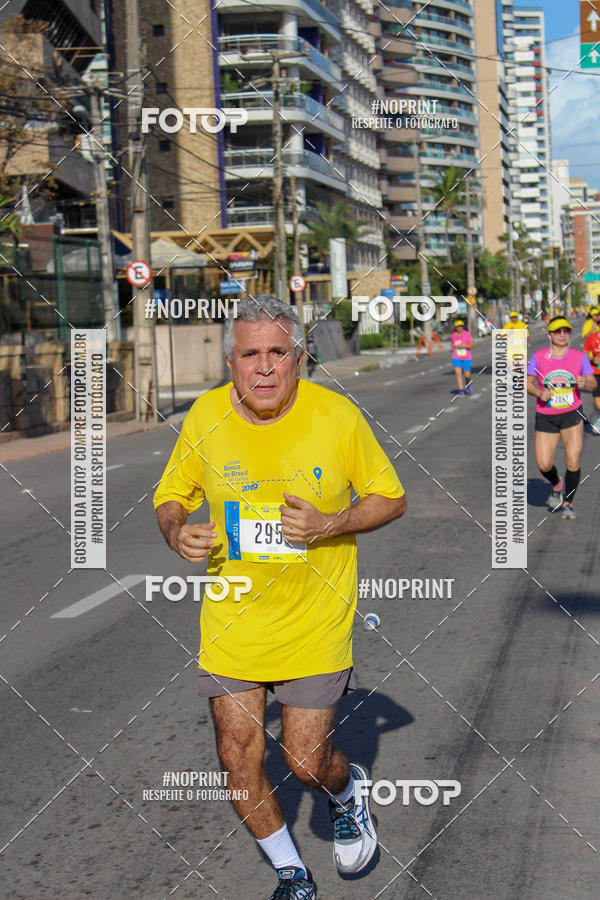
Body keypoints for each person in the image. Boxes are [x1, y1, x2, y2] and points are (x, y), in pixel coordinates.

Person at [153, 295, 407, 899]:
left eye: (277, 352)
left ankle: (346, 793)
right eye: (250, 354)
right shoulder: (205, 416)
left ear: (299, 357)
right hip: (234, 621)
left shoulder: (337, 417)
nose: (263, 367)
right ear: (230, 362)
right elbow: (173, 491)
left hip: (314, 619)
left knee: (304, 764)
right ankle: (291, 872)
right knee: (236, 757)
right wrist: (175, 529)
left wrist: (329, 523)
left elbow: (389, 498)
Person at [526, 315, 596, 519]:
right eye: (558, 331)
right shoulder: (539, 357)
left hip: (572, 413)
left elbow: (592, 382)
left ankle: (568, 502)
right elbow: (528, 383)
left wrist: (585, 383)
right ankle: (557, 483)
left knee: (573, 460)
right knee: (544, 464)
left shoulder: (579, 357)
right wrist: (539, 393)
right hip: (546, 416)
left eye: (566, 331)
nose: (563, 335)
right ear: (549, 335)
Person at [582, 308, 600, 433]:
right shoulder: (593, 338)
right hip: (596, 373)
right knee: (598, 403)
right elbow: (585, 351)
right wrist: (593, 359)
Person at [450, 318, 474, 395]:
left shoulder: (467, 334)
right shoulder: (453, 336)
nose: (460, 328)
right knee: (458, 373)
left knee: (467, 376)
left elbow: (472, 344)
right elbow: (453, 344)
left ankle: (468, 385)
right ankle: (461, 390)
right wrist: (453, 346)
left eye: (461, 326)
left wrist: (464, 346)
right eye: (458, 326)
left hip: (467, 357)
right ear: (455, 327)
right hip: (456, 357)